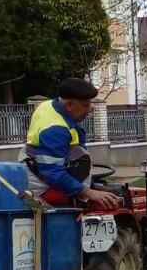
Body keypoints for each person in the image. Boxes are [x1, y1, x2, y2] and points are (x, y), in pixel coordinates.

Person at [23, 78, 119, 209]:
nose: (91, 108)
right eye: (85, 105)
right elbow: (53, 173)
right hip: (43, 187)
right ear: (69, 105)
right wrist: (88, 192)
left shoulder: (50, 106)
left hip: (39, 173)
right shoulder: (55, 130)